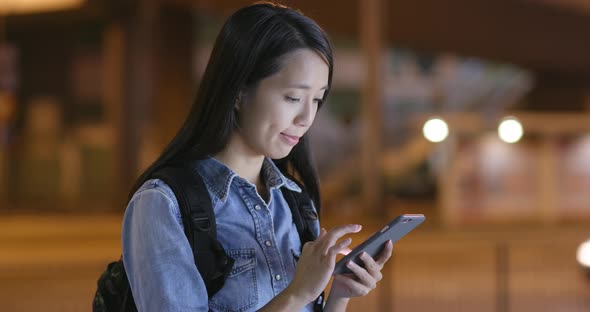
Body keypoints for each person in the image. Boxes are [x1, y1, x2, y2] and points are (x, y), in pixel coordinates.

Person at [122, 2, 393, 311]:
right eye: (293, 97)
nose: (307, 117)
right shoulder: (164, 203)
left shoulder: (293, 201)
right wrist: (297, 293)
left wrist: (340, 293)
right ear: (238, 91)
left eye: (317, 99)